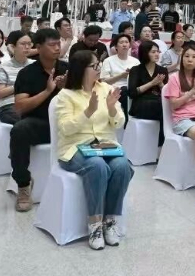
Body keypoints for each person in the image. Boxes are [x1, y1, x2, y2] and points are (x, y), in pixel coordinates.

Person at [55, 50, 132, 250]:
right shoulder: (66, 95)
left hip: (105, 145)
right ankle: (95, 224)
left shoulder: (106, 89)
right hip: (75, 147)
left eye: (99, 65)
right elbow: (65, 128)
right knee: (98, 166)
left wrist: (112, 108)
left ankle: (110, 221)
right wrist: (88, 112)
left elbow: (119, 123)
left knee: (122, 166)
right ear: (81, 69)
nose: (99, 69)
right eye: (95, 66)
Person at [11, 28, 68, 211]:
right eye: (52, 45)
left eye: (58, 44)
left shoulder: (68, 69)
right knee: (19, 130)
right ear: (39, 47)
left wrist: (67, 89)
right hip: (40, 124)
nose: (57, 48)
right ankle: (23, 184)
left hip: (67, 124)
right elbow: (20, 107)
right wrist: (48, 91)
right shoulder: (27, 73)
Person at [163, 44, 195, 182]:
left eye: (194, 57)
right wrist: (192, 92)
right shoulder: (174, 78)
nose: (190, 59)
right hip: (182, 119)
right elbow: (174, 105)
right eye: (187, 56)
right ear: (182, 58)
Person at [127, 41, 168, 146]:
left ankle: (163, 142)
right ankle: (161, 143)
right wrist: (152, 83)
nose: (157, 54)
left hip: (158, 102)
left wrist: (160, 84)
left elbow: (167, 94)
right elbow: (132, 93)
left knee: (165, 106)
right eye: (153, 52)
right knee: (162, 109)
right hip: (141, 103)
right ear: (145, 53)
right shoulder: (136, 70)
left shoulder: (163, 70)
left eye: (158, 51)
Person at [0, 31, 35, 125]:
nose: (27, 47)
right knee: (28, 123)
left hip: (31, 103)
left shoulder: (35, 65)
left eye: (29, 44)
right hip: (9, 105)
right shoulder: (4, 66)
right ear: (13, 47)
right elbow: (0, 93)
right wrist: (20, 85)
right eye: (23, 44)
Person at [101, 34, 139, 114]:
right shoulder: (108, 61)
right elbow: (104, 81)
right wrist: (121, 76)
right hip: (114, 88)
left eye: (126, 42)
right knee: (124, 90)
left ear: (129, 45)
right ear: (116, 46)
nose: (124, 45)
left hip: (132, 88)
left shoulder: (135, 61)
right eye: (121, 42)